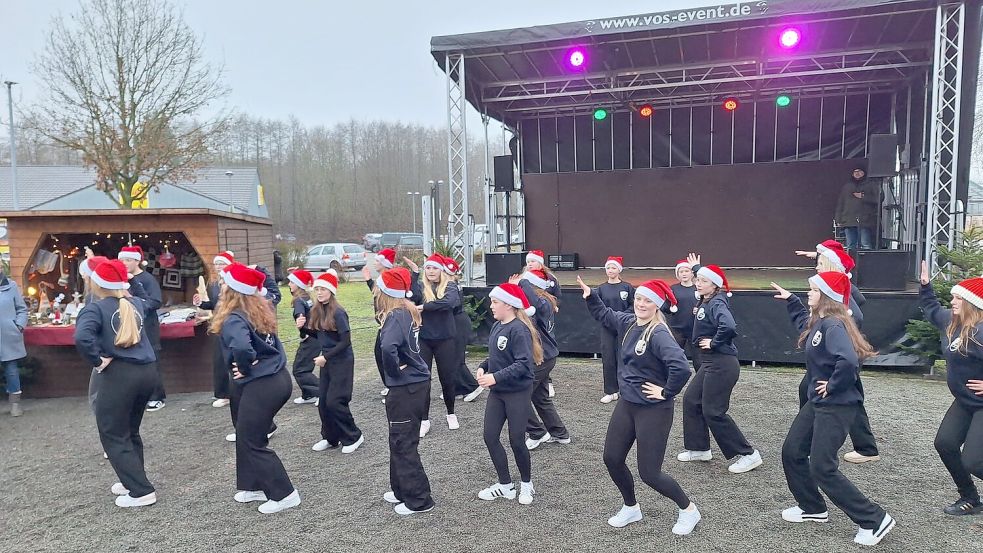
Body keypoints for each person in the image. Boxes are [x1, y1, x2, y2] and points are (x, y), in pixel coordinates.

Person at [772, 272, 896, 546]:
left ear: (826, 296)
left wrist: (832, 385)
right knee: (792, 451)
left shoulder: (834, 325)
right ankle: (813, 508)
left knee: (822, 467)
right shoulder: (821, 322)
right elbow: (803, 323)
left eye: (813, 290)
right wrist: (791, 301)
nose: (809, 294)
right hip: (819, 403)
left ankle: (874, 519)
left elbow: (849, 361)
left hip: (837, 405)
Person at [580, 275, 701, 535]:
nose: (641, 304)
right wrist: (591, 296)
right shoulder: (629, 322)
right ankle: (631, 507)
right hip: (628, 404)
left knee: (650, 473)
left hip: (654, 410)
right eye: (638, 298)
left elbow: (680, 367)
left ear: (657, 305)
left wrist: (666, 391)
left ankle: (689, 509)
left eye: (647, 300)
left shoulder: (658, 334)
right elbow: (605, 315)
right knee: (612, 458)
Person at [210, 263, 300, 514]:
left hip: (263, 384)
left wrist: (246, 366)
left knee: (250, 440)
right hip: (277, 379)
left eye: (225, 281)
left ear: (233, 290)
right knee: (250, 434)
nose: (221, 284)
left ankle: (285, 494)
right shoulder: (258, 309)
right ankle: (254, 485)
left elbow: (241, 347)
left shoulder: (234, 317)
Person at [74, 259, 159, 508]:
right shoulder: (133, 303)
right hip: (147, 371)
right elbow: (146, 300)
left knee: (112, 432)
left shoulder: (96, 308)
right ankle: (132, 480)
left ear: (97, 283)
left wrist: (97, 361)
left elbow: (81, 337)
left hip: (120, 374)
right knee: (130, 431)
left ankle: (141, 490)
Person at [795, 240, 880, 464]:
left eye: (821, 263)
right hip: (839, 356)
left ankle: (815, 441)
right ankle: (865, 447)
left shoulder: (837, 303)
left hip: (841, 357)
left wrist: (843, 338)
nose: (817, 267)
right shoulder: (839, 290)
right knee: (839, 394)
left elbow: (856, 315)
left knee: (840, 395)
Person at [678, 256, 763, 474]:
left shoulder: (716, 302)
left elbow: (730, 326)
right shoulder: (707, 298)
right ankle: (699, 449)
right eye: (698, 279)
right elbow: (706, 279)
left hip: (722, 363)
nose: (698, 282)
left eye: (703, 281)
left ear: (715, 285)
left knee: (713, 411)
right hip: (709, 363)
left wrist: (714, 342)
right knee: (691, 400)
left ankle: (748, 454)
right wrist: (698, 267)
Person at [918, 261, 983, 516]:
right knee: (945, 443)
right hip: (965, 401)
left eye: (958, 298)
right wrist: (926, 287)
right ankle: (970, 498)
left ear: (972, 304)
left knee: (974, 461)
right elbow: (932, 309)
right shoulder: (951, 322)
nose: (952, 301)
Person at [375, 267, 435, 515]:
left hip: (406, 387)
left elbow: (389, 347)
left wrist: (395, 375)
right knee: (398, 439)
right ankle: (401, 489)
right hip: (412, 384)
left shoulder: (396, 315)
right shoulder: (403, 312)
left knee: (403, 442)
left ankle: (419, 500)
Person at [476, 283, 540, 505]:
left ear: (509, 305)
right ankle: (505, 485)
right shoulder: (497, 326)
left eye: (495, 302)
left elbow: (524, 364)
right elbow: (496, 357)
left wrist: (495, 377)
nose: (491, 306)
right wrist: (484, 366)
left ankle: (526, 484)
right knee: (490, 436)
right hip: (498, 392)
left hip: (517, 393)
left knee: (516, 440)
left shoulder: (518, 329)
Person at [512, 269, 570, 450]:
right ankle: (559, 433)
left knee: (518, 394)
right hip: (544, 356)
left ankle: (537, 432)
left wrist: (522, 284)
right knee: (540, 398)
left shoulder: (543, 302)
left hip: (541, 357)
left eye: (527, 283)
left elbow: (534, 304)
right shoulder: (538, 302)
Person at [309, 270, 363, 454]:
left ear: (331, 291)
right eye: (317, 289)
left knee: (335, 401)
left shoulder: (339, 312)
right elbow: (319, 334)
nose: (320, 293)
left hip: (342, 362)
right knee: (323, 402)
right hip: (328, 362)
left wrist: (326, 357)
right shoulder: (317, 310)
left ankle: (354, 436)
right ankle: (330, 438)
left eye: (323, 289)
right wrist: (303, 329)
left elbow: (345, 341)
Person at [417, 253, 463, 435]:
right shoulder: (420, 287)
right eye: (428, 267)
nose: (430, 271)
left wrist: (424, 307)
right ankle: (424, 419)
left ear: (441, 271)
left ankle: (451, 413)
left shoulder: (450, 286)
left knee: (447, 378)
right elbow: (407, 300)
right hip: (424, 339)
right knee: (423, 379)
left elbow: (450, 302)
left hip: (445, 339)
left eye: (434, 267)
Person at [117, 246, 164, 412]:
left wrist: (133, 301)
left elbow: (156, 301)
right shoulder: (119, 279)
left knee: (151, 361)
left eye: (128, 260)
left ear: (137, 261)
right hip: (129, 326)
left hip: (147, 326)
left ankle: (157, 396)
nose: (124, 263)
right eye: (122, 260)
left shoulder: (147, 279)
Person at [193, 251, 235, 408]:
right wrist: (201, 304)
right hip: (218, 326)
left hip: (232, 324)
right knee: (219, 360)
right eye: (216, 264)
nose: (218, 267)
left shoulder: (234, 283)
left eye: (222, 263)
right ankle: (223, 393)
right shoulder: (214, 284)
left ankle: (236, 391)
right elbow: (213, 304)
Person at [442, 255, 484, 403]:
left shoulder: (450, 286)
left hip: (457, 323)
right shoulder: (450, 285)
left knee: (456, 358)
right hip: (456, 321)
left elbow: (449, 305)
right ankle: (458, 388)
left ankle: (473, 386)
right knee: (452, 358)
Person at [596, 256, 634, 404]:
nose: (610, 270)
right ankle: (611, 391)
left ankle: (626, 389)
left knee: (625, 357)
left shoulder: (627, 287)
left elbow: (632, 305)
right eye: (608, 268)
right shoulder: (601, 288)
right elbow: (598, 308)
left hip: (624, 327)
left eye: (613, 268)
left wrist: (622, 317)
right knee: (609, 359)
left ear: (619, 269)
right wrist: (608, 318)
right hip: (607, 328)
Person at [526, 250, 560, 398]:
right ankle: (544, 382)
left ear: (540, 263)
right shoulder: (525, 279)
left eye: (532, 261)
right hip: (530, 318)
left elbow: (557, 296)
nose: (530, 265)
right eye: (528, 262)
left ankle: (547, 381)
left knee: (545, 346)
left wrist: (554, 305)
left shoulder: (551, 279)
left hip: (544, 316)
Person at [286, 269, 320, 405]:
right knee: (303, 368)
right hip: (316, 337)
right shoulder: (307, 297)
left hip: (310, 339)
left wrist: (302, 330)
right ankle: (308, 395)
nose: (288, 284)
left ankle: (321, 393)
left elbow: (300, 315)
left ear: (298, 284)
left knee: (300, 370)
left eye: (291, 282)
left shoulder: (298, 301)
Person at [0, 267, 28, 417]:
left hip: (7, 335)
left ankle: (15, 404)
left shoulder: (11, 286)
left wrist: (19, 325)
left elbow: (22, 309)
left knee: (11, 369)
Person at [834, 167, 880, 251]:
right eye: (855, 171)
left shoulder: (871, 184)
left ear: (864, 173)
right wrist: (838, 219)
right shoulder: (847, 186)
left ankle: (866, 263)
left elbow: (880, 198)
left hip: (865, 220)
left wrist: (863, 197)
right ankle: (852, 264)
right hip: (848, 220)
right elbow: (841, 203)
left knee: (865, 245)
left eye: (859, 171)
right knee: (850, 246)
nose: (857, 173)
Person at [669, 259, 700, 359]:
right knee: (675, 356)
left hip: (695, 329)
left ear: (692, 273)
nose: (684, 274)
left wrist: (700, 309)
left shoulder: (698, 288)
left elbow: (707, 303)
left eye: (686, 271)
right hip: (677, 329)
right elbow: (666, 306)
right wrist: (670, 307)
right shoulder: (673, 289)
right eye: (681, 272)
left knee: (698, 359)